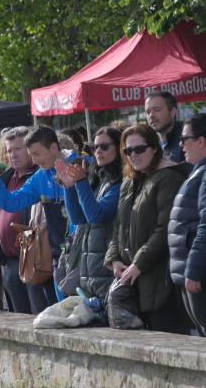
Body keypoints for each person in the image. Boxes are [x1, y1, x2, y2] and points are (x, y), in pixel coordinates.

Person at [104, 124, 189, 333]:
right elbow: (119, 226)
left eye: (139, 149)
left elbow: (165, 228)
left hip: (161, 278)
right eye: (127, 150)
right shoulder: (128, 182)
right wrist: (114, 258)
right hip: (131, 280)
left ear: (154, 148)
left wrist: (139, 263)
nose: (133, 155)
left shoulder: (169, 176)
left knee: (167, 343)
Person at [0, 126, 74, 314]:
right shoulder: (41, 175)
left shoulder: (82, 165)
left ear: (53, 147)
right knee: (60, 317)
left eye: (36, 153)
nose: (35, 160)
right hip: (57, 257)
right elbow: (13, 202)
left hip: (80, 254)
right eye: (9, 150)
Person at [56, 127, 123, 301]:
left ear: (118, 147)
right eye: (94, 147)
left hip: (108, 268)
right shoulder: (101, 178)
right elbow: (79, 219)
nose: (98, 151)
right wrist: (69, 186)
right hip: (92, 269)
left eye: (105, 146)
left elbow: (96, 215)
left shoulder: (121, 181)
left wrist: (81, 181)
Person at [168, 113, 206, 335]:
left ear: (201, 141)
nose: (181, 144)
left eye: (185, 139)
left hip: (197, 274)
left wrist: (193, 269)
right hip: (189, 271)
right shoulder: (198, 170)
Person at [145, 91, 185, 163]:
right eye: (148, 112)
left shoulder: (187, 139)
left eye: (157, 110)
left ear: (173, 112)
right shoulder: (147, 143)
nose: (151, 116)